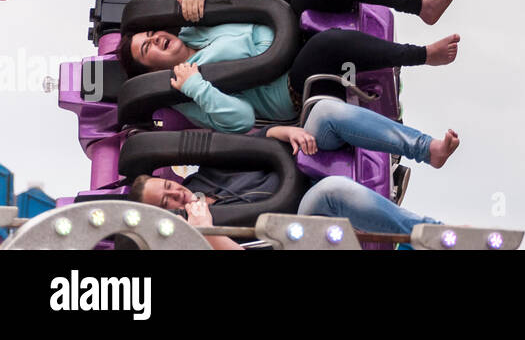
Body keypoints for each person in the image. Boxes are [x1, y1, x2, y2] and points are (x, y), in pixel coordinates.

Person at [117, 0, 460, 134]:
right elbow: (240, 119)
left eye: (150, 35)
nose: (156, 39)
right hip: (290, 84)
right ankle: (423, 55)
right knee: (326, 46)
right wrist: (198, 88)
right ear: (154, 71)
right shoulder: (186, 93)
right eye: (148, 50)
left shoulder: (194, 25)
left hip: (288, 24)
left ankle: (421, 5)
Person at [127, 96, 460, 249]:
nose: (176, 194)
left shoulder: (204, 175)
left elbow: (252, 143)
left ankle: (428, 150)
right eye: (166, 202)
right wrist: (207, 231)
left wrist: (284, 133)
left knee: (325, 111)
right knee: (333, 190)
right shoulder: (195, 236)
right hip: (302, 219)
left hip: (304, 161)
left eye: (167, 187)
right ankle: (432, 236)